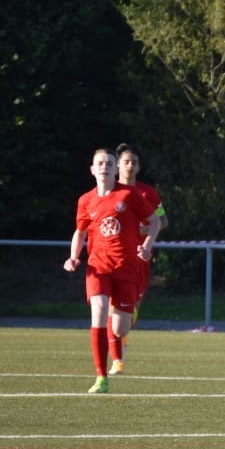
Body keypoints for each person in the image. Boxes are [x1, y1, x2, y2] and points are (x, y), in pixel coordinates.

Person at [63, 148, 159, 393]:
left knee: (119, 329)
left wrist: (147, 245)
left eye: (109, 163)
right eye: (100, 163)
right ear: (92, 169)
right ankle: (101, 377)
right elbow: (80, 232)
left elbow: (155, 221)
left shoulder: (129, 194)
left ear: (116, 169)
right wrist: (73, 257)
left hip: (127, 268)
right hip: (99, 266)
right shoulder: (85, 200)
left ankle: (127, 314)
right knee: (98, 310)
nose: (104, 167)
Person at [109, 143, 169, 374]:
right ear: (117, 165)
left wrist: (144, 231)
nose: (130, 166)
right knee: (111, 308)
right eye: (126, 161)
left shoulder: (148, 193)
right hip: (115, 259)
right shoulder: (109, 191)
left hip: (140, 259)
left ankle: (122, 339)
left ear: (139, 167)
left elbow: (163, 221)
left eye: (134, 162)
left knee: (132, 308)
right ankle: (117, 356)